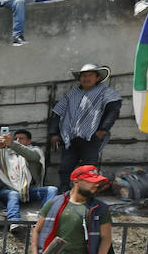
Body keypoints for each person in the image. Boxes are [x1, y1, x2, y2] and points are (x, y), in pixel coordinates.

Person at [49, 63, 122, 192]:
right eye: (84, 75)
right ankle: (65, 194)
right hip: (70, 138)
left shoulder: (105, 92)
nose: (86, 78)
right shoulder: (73, 93)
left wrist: (103, 129)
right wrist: (54, 133)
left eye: (90, 75)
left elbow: (113, 110)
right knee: (65, 168)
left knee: (88, 169)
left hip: (92, 137)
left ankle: (87, 196)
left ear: (97, 78)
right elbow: (57, 112)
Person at [0, 128, 57, 226]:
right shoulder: (0, 153)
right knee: (13, 194)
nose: (18, 141)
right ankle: (14, 221)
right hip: (6, 191)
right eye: (15, 139)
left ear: (29, 141)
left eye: (21, 139)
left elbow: (32, 156)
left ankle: (41, 220)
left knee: (52, 190)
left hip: (28, 191)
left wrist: (12, 144)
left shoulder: (35, 150)